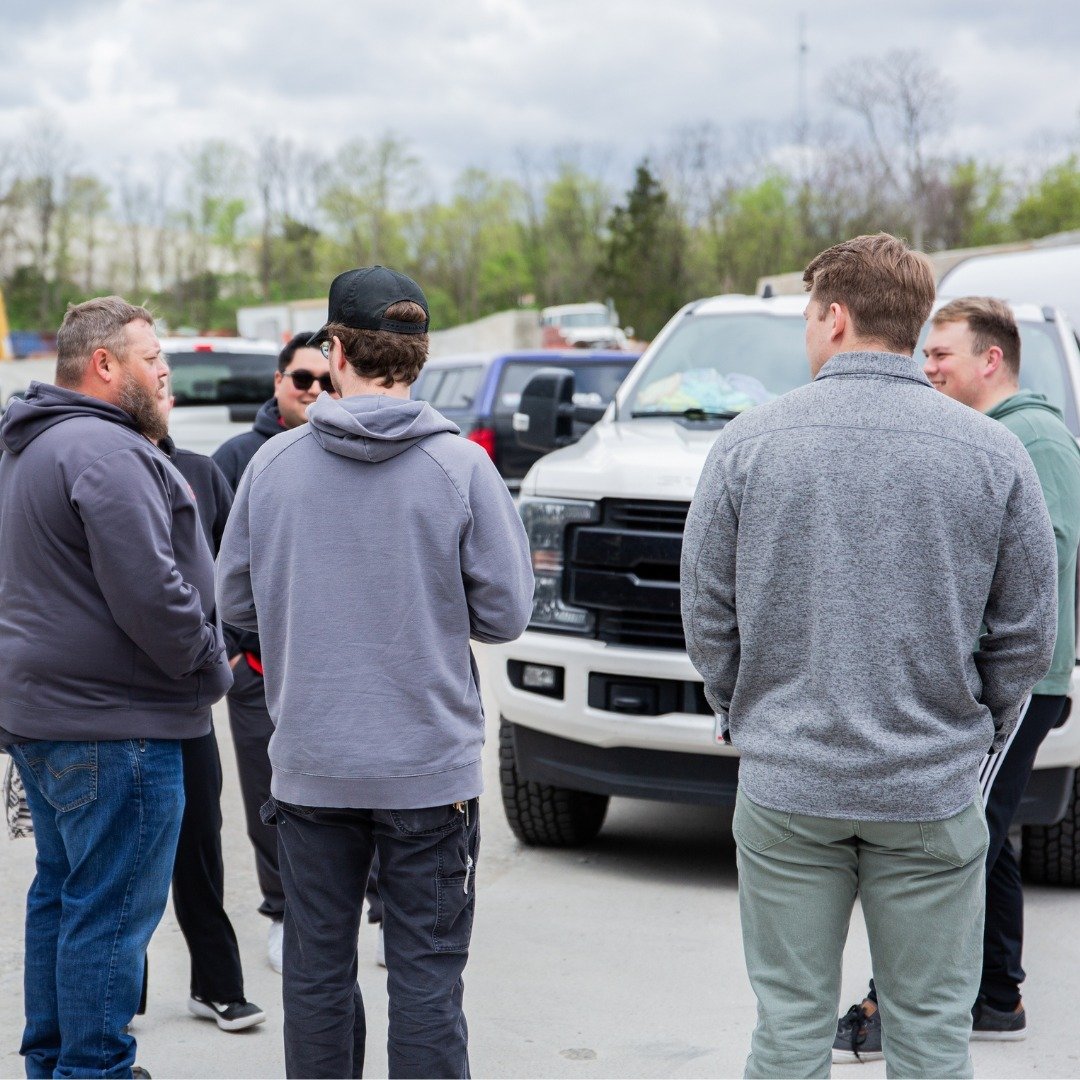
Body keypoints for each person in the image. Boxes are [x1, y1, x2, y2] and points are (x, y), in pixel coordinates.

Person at [680, 234, 1058, 1079]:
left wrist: (744, 710)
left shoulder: (747, 444)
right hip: (928, 786)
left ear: (836, 318)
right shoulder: (992, 452)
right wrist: (977, 728)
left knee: (787, 1030)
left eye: (810, 315)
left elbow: (706, 615)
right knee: (929, 1035)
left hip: (788, 784)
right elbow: (1029, 628)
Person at [216, 265, 534, 1079]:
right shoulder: (461, 470)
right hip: (427, 772)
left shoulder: (272, 466)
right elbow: (504, 615)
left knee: (317, 974)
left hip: (313, 764)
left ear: (336, 348)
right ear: (420, 356)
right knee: (426, 977)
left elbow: (236, 605)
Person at [833, 296, 1080, 1060]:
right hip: (1005, 680)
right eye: (927, 353)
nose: (928, 367)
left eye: (942, 355)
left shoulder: (1031, 438)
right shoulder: (997, 435)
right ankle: (996, 995)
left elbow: (1040, 563)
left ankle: (893, 1006)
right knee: (986, 832)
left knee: (942, 840)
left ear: (991, 359)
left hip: (1018, 682)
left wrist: (960, 657)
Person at [0, 297, 233, 1077]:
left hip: (51, 719)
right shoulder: (104, 452)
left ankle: (55, 1064)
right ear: (104, 364)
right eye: (151, 355)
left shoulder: (32, 445)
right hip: (116, 727)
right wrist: (210, 665)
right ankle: (90, 1069)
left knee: (64, 897)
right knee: (104, 918)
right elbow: (155, 595)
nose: (164, 368)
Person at [212, 332, 343, 973]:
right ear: (278, 382)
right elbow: (213, 569)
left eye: (325, 380)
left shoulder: (352, 450)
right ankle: (280, 912)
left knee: (349, 793)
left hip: (334, 671)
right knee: (269, 799)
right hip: (258, 671)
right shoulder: (240, 459)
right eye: (301, 379)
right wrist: (233, 656)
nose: (314, 391)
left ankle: (369, 904)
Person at [149, 374, 266, 1031]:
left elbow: (234, 570)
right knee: (122, 861)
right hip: (116, 704)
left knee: (200, 843)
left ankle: (216, 985)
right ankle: (123, 995)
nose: (162, 392)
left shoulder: (197, 471)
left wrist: (235, 648)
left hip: (189, 699)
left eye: (167, 383)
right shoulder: (92, 466)